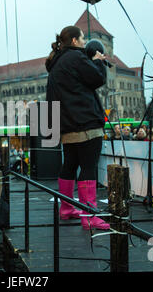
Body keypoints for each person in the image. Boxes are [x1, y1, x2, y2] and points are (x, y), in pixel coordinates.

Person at [45, 25, 109, 230]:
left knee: (70, 165)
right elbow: (97, 79)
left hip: (66, 126)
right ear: (73, 41)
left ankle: (66, 208)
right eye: (82, 39)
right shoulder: (75, 57)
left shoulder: (55, 64)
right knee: (88, 167)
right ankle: (89, 215)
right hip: (86, 122)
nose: (84, 43)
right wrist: (98, 62)